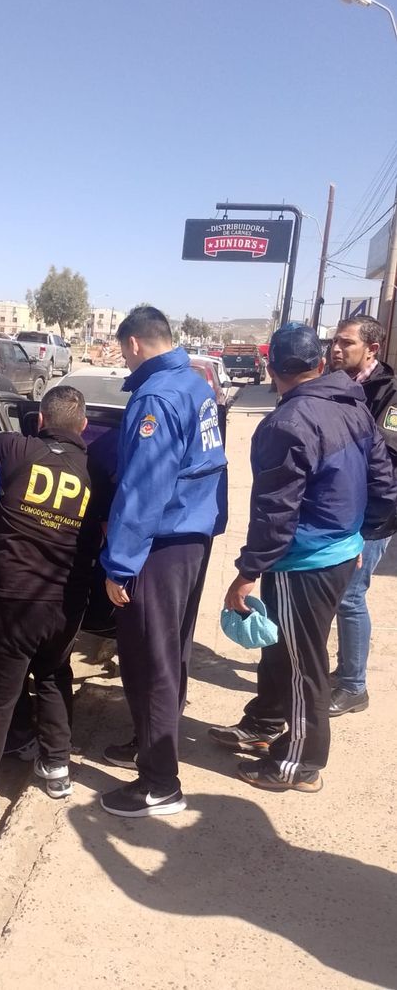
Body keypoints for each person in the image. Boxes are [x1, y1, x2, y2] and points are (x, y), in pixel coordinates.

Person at [210, 323, 397, 793]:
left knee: (301, 663)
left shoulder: (287, 423)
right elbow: (384, 486)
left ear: (271, 368)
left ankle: (298, 764)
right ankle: (266, 721)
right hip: (332, 552)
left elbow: (275, 512)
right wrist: (359, 538)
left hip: (304, 561)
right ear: (319, 363)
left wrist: (247, 572)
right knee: (281, 647)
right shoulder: (352, 406)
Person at [0, 385, 105, 822]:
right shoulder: (96, 470)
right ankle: (57, 769)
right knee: (54, 675)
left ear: (40, 422)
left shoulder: (16, 449)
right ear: (84, 427)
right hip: (66, 603)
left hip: (14, 602)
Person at [99, 306, 228, 819]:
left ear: (133, 344)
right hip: (191, 537)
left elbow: (143, 488)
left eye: (122, 351)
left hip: (160, 543)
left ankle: (159, 784)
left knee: (150, 661)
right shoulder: (194, 382)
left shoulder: (155, 396)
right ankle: (151, 741)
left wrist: (119, 564)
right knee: (170, 651)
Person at [328, 314, 397, 716]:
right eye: (334, 342)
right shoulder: (339, 382)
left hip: (373, 515)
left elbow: (386, 459)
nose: (336, 349)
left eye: (346, 343)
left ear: (371, 349)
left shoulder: (388, 393)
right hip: (341, 510)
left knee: (351, 597)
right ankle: (341, 672)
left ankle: (354, 686)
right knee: (341, 594)